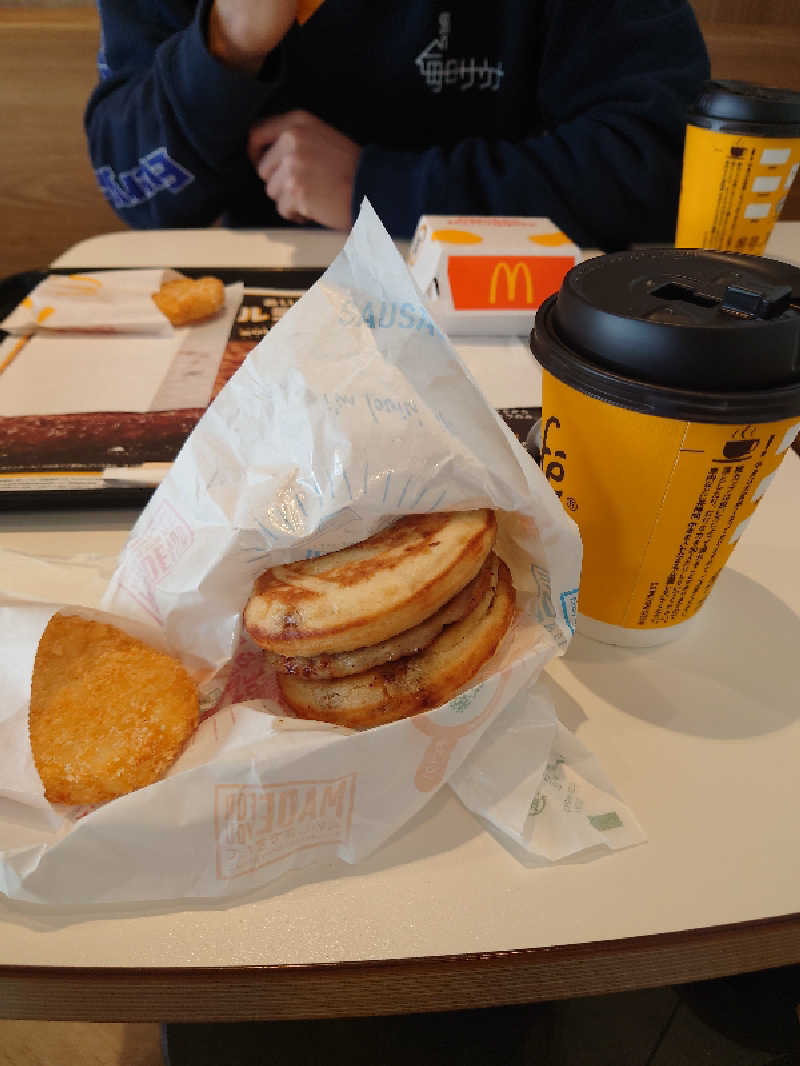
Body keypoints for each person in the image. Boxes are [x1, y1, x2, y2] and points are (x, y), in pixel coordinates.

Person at [84, 0, 710, 250]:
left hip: (523, 318)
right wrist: (229, 43)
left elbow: (659, 166)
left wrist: (374, 188)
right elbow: (136, 191)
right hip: (267, 337)